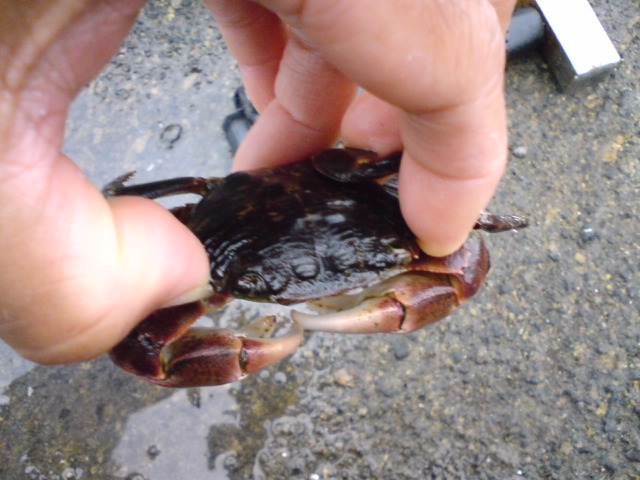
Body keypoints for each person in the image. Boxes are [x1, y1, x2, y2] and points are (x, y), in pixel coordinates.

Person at [0, 0, 516, 364]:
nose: (312, 296)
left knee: (450, 233)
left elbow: (463, 262)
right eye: (265, 286)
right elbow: (149, 353)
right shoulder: (190, 229)